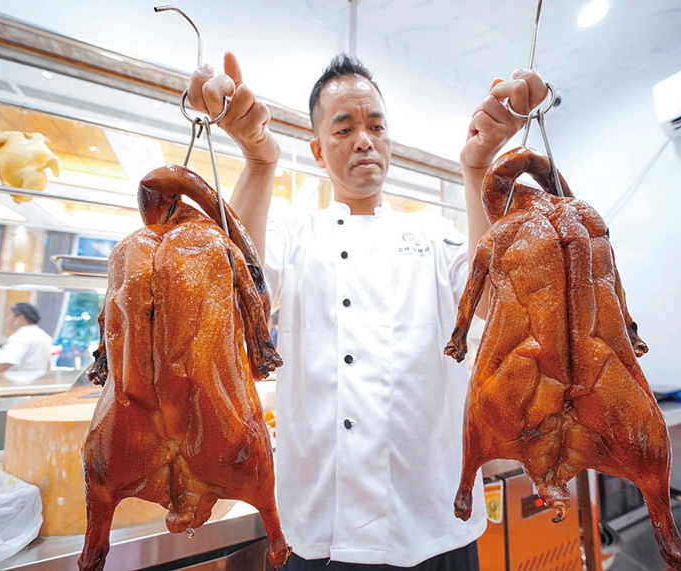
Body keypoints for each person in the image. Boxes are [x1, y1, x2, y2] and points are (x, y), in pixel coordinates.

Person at [188, 53, 547, 569]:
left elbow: (493, 300)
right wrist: (259, 162)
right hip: (317, 531)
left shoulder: (433, 236)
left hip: (432, 525)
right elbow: (230, 295)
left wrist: (478, 168)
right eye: (344, 128)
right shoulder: (296, 235)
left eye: (376, 126)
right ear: (317, 150)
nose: (364, 140)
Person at [0, 303, 54, 374]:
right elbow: (48, 365)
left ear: (20, 319)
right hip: (37, 379)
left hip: (18, 379)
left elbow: (5, 364)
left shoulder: (20, 337)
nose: (6, 319)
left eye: (9, 315)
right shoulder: (45, 336)